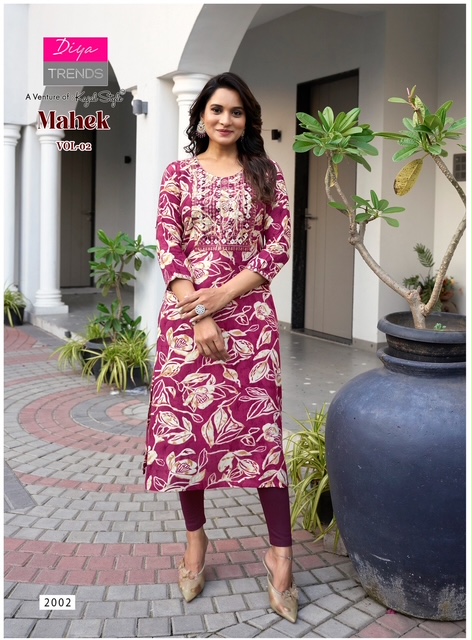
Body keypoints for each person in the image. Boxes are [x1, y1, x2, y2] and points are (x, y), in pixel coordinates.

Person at [143, 72, 297, 623]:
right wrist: (200, 313)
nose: (225, 120)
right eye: (216, 110)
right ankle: (196, 541)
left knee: (262, 436)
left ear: (247, 118)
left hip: (250, 320)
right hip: (188, 321)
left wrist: (225, 295)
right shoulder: (178, 175)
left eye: (236, 111)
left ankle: (281, 556)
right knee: (187, 433)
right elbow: (169, 246)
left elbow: (278, 245)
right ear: (201, 116)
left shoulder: (267, 174)